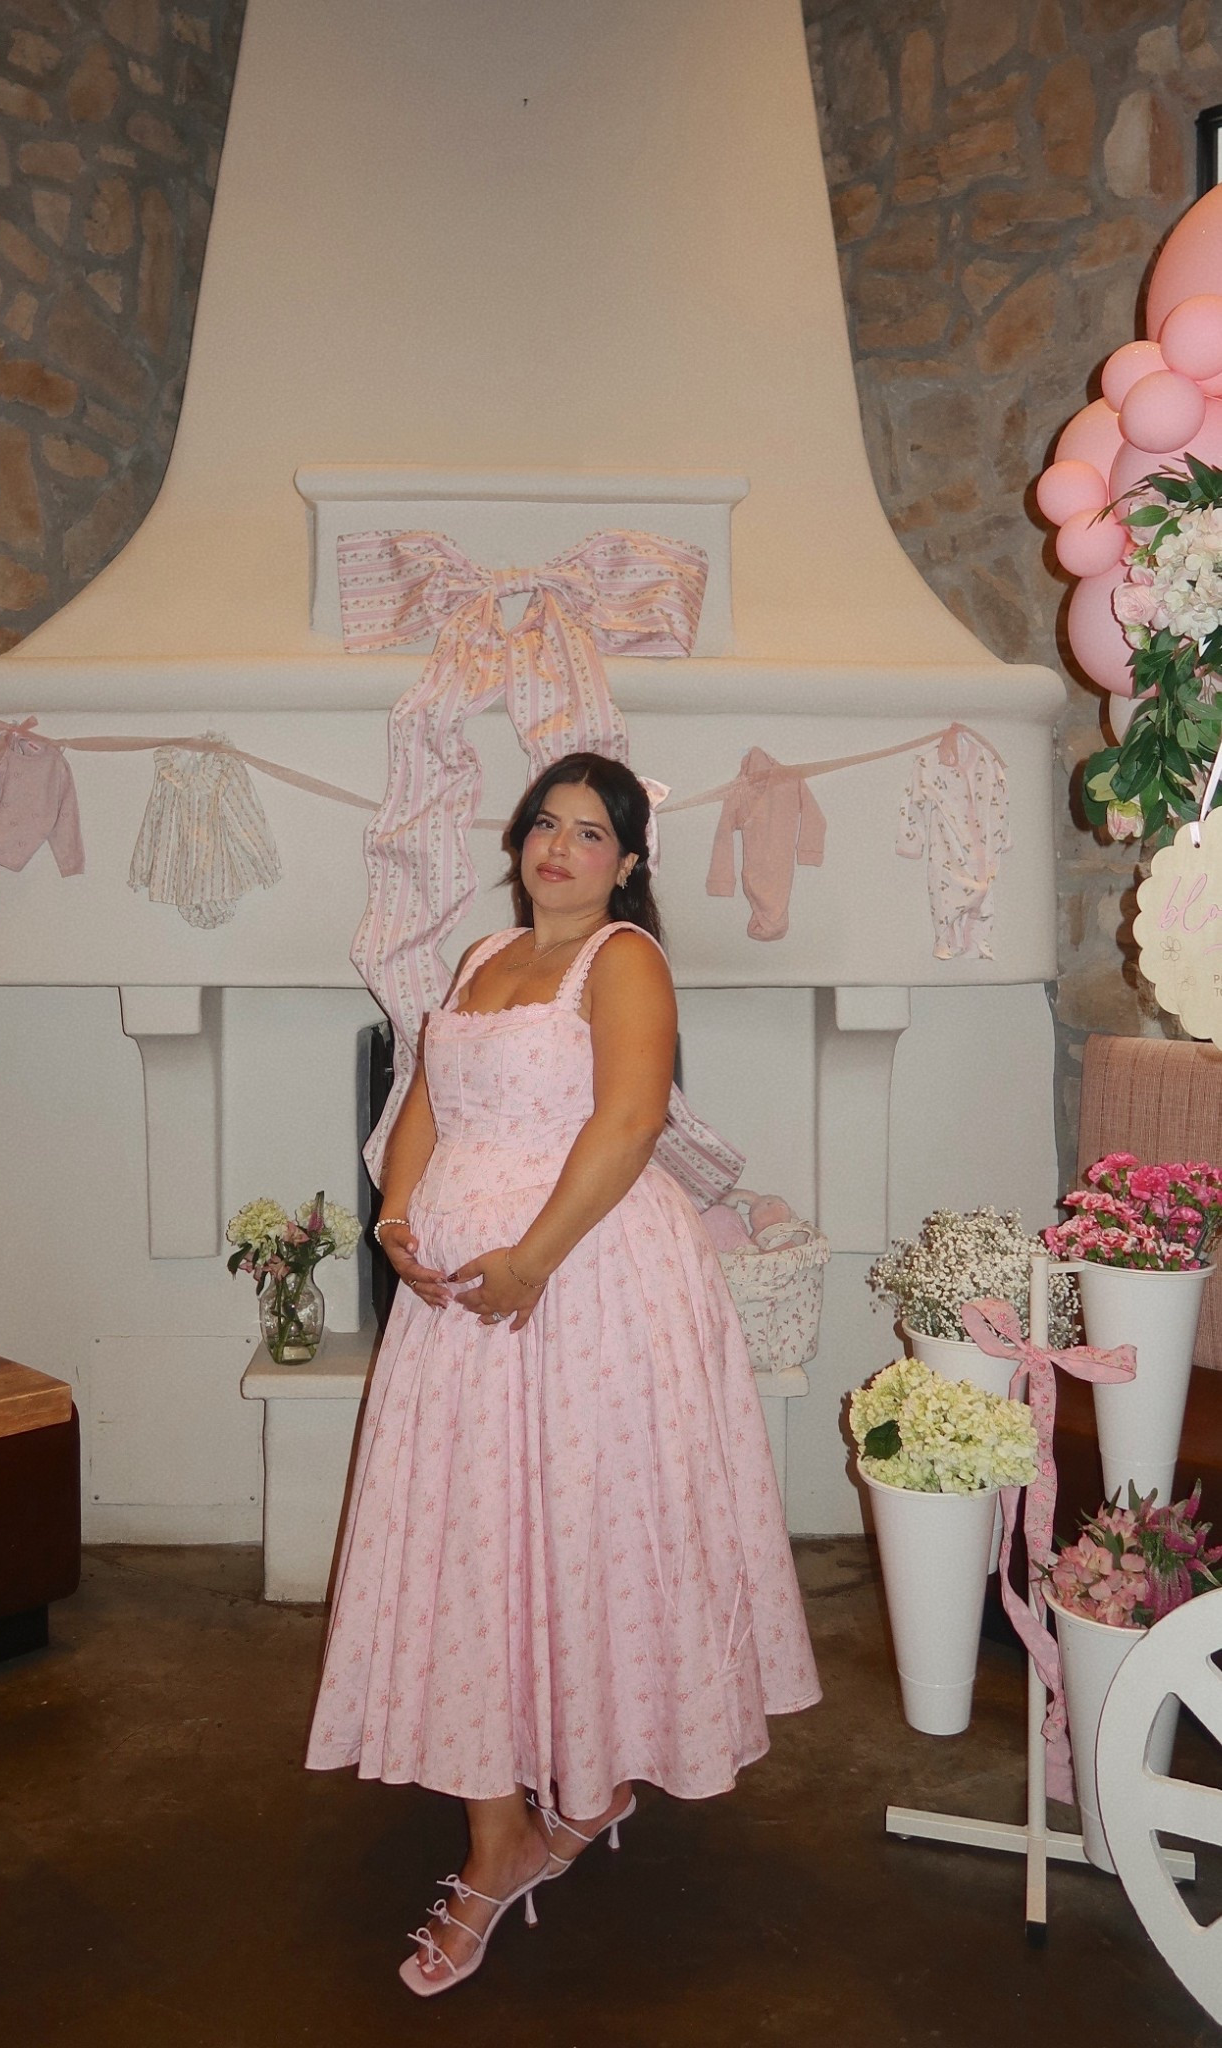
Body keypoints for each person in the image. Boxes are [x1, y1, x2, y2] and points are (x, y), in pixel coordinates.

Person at [306, 752, 820, 1997]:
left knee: (584, 1537)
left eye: (591, 832)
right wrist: (393, 1222)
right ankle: (503, 1832)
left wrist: (533, 1258)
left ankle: (579, 1794)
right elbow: (427, 1100)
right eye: (547, 822)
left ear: (628, 861)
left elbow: (629, 1121)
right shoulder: (483, 957)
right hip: (459, 1302)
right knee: (469, 1548)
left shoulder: (624, 960)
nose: (560, 847)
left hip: (585, 1288)